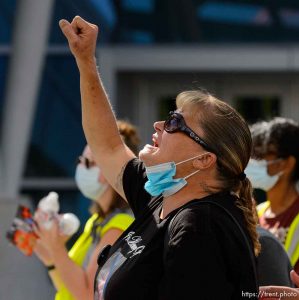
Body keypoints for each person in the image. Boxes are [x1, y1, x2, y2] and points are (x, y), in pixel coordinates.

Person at [59, 16, 260, 299]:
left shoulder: (199, 227)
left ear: (204, 159)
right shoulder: (167, 199)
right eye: (170, 117)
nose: (160, 126)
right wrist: (86, 63)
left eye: (176, 124)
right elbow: (108, 147)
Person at [33, 120, 140, 300]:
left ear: (111, 169)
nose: (81, 168)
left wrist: (57, 247)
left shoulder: (121, 226)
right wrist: (50, 258)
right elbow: (68, 289)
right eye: (80, 161)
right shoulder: (97, 221)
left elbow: (87, 295)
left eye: (89, 163)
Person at [245, 117, 299, 273]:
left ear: (287, 163)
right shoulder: (258, 212)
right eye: (252, 154)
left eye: (261, 155)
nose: (252, 162)